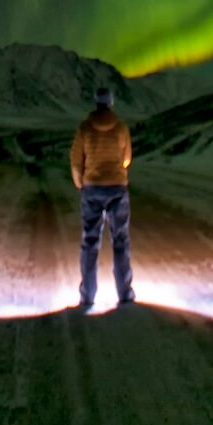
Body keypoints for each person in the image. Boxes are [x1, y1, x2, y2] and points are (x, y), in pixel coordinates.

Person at [69, 87, 135, 308]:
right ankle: (124, 293)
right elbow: (127, 158)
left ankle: (87, 295)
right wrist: (117, 170)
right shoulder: (121, 127)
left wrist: (81, 183)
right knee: (121, 241)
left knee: (89, 241)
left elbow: (76, 160)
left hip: (92, 187)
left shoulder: (85, 128)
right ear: (112, 102)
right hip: (117, 187)